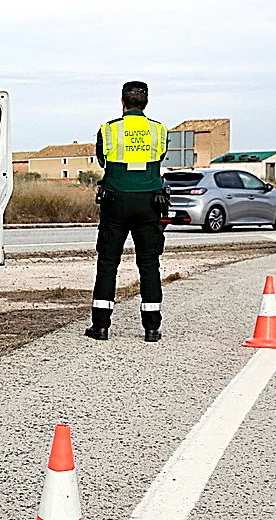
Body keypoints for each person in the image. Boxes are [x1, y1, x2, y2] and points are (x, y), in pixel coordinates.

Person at [86, 81, 169, 343]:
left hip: (116, 202)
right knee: (149, 264)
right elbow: (160, 157)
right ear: (146, 102)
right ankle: (152, 329)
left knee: (108, 262)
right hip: (149, 202)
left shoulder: (108, 130)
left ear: (122, 102)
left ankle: (100, 327)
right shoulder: (158, 130)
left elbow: (102, 159)